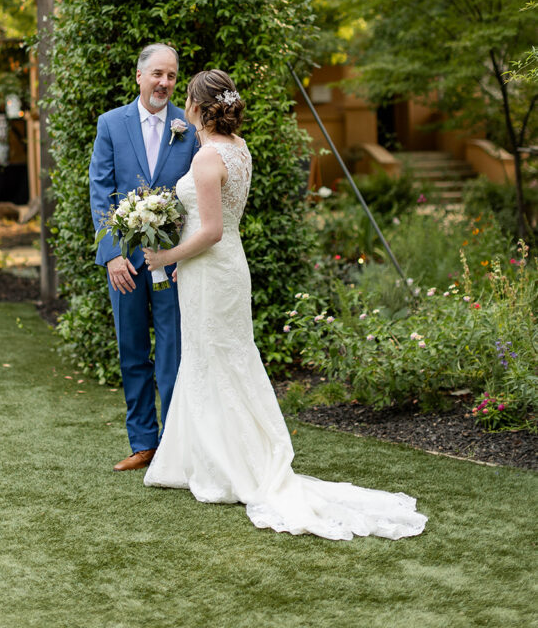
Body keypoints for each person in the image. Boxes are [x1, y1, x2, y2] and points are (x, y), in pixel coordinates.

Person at [142, 70, 427, 539]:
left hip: (212, 269)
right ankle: (202, 458)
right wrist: (181, 259)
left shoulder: (209, 156)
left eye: (188, 97)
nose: (185, 105)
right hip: (219, 267)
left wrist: (167, 254)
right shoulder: (239, 148)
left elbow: (211, 229)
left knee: (216, 357)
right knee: (217, 357)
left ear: (197, 106)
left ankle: (229, 468)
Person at [89, 43, 199, 472]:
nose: (164, 83)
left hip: (173, 264)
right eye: (157, 74)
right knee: (132, 350)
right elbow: (101, 191)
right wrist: (112, 256)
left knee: (173, 351)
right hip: (126, 264)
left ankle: (174, 445)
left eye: (171, 76)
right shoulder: (111, 124)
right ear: (139, 76)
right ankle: (143, 444)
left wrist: (181, 254)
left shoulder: (188, 129)